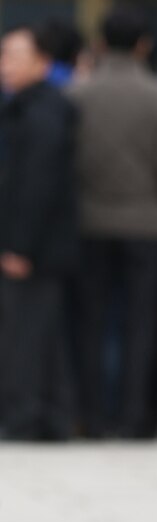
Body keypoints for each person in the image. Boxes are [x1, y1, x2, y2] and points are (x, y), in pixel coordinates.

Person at [73, 5, 157, 438]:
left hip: (89, 222)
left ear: (100, 43)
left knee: (91, 322)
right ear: (144, 45)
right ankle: (134, 417)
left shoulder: (78, 95)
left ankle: (92, 415)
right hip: (145, 225)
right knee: (142, 322)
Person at [0, 27, 77, 439]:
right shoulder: (23, 106)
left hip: (36, 249)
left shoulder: (43, 111)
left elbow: (37, 184)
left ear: (42, 62)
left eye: (13, 56)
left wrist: (18, 245)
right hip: (33, 246)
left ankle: (29, 417)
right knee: (35, 333)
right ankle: (44, 416)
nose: (4, 65)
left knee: (28, 335)